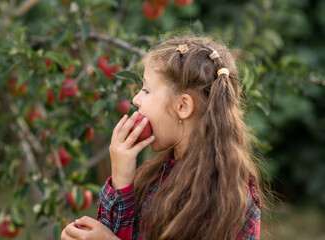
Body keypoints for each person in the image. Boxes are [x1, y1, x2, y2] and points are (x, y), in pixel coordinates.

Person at [61, 35, 264, 240]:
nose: (136, 99)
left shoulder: (230, 200)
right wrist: (121, 179)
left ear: (182, 106)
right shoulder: (153, 178)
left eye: (146, 90)